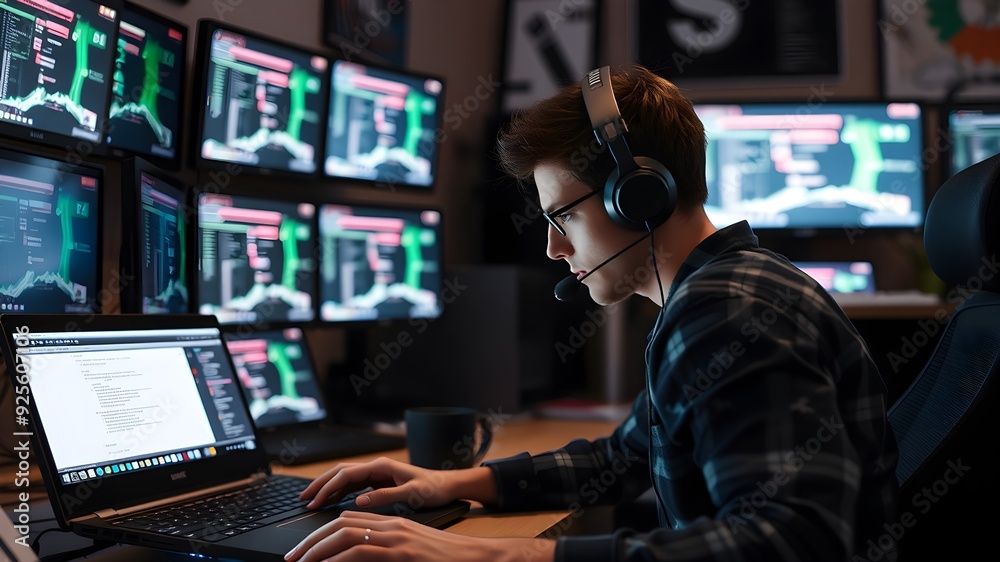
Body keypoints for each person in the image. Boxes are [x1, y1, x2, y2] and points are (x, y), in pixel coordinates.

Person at [284, 64, 900, 562]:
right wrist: (452, 483)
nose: (553, 248)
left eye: (563, 216)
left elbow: (793, 542)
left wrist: (496, 556)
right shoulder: (720, 290)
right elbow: (624, 457)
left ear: (638, 196)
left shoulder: (728, 312)